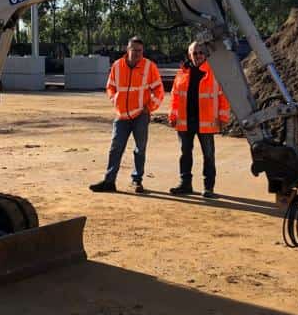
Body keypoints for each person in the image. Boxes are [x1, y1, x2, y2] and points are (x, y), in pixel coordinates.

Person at [89, 36, 164, 194]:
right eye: (134, 50)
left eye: (140, 51)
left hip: (140, 115)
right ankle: (109, 182)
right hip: (121, 115)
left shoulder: (149, 67)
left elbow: (159, 90)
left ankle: (137, 181)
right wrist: (114, 99)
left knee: (140, 149)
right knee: (115, 148)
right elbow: (110, 86)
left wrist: (149, 107)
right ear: (127, 50)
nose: (137, 54)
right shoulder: (117, 66)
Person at [168, 42, 230, 198]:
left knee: (208, 155)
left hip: (206, 121)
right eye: (195, 53)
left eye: (201, 52)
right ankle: (185, 184)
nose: (198, 56)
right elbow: (175, 97)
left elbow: (223, 97)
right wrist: (172, 115)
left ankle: (208, 188)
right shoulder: (182, 74)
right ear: (189, 55)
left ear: (206, 54)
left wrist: (223, 116)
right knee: (185, 153)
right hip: (184, 121)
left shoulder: (214, 73)